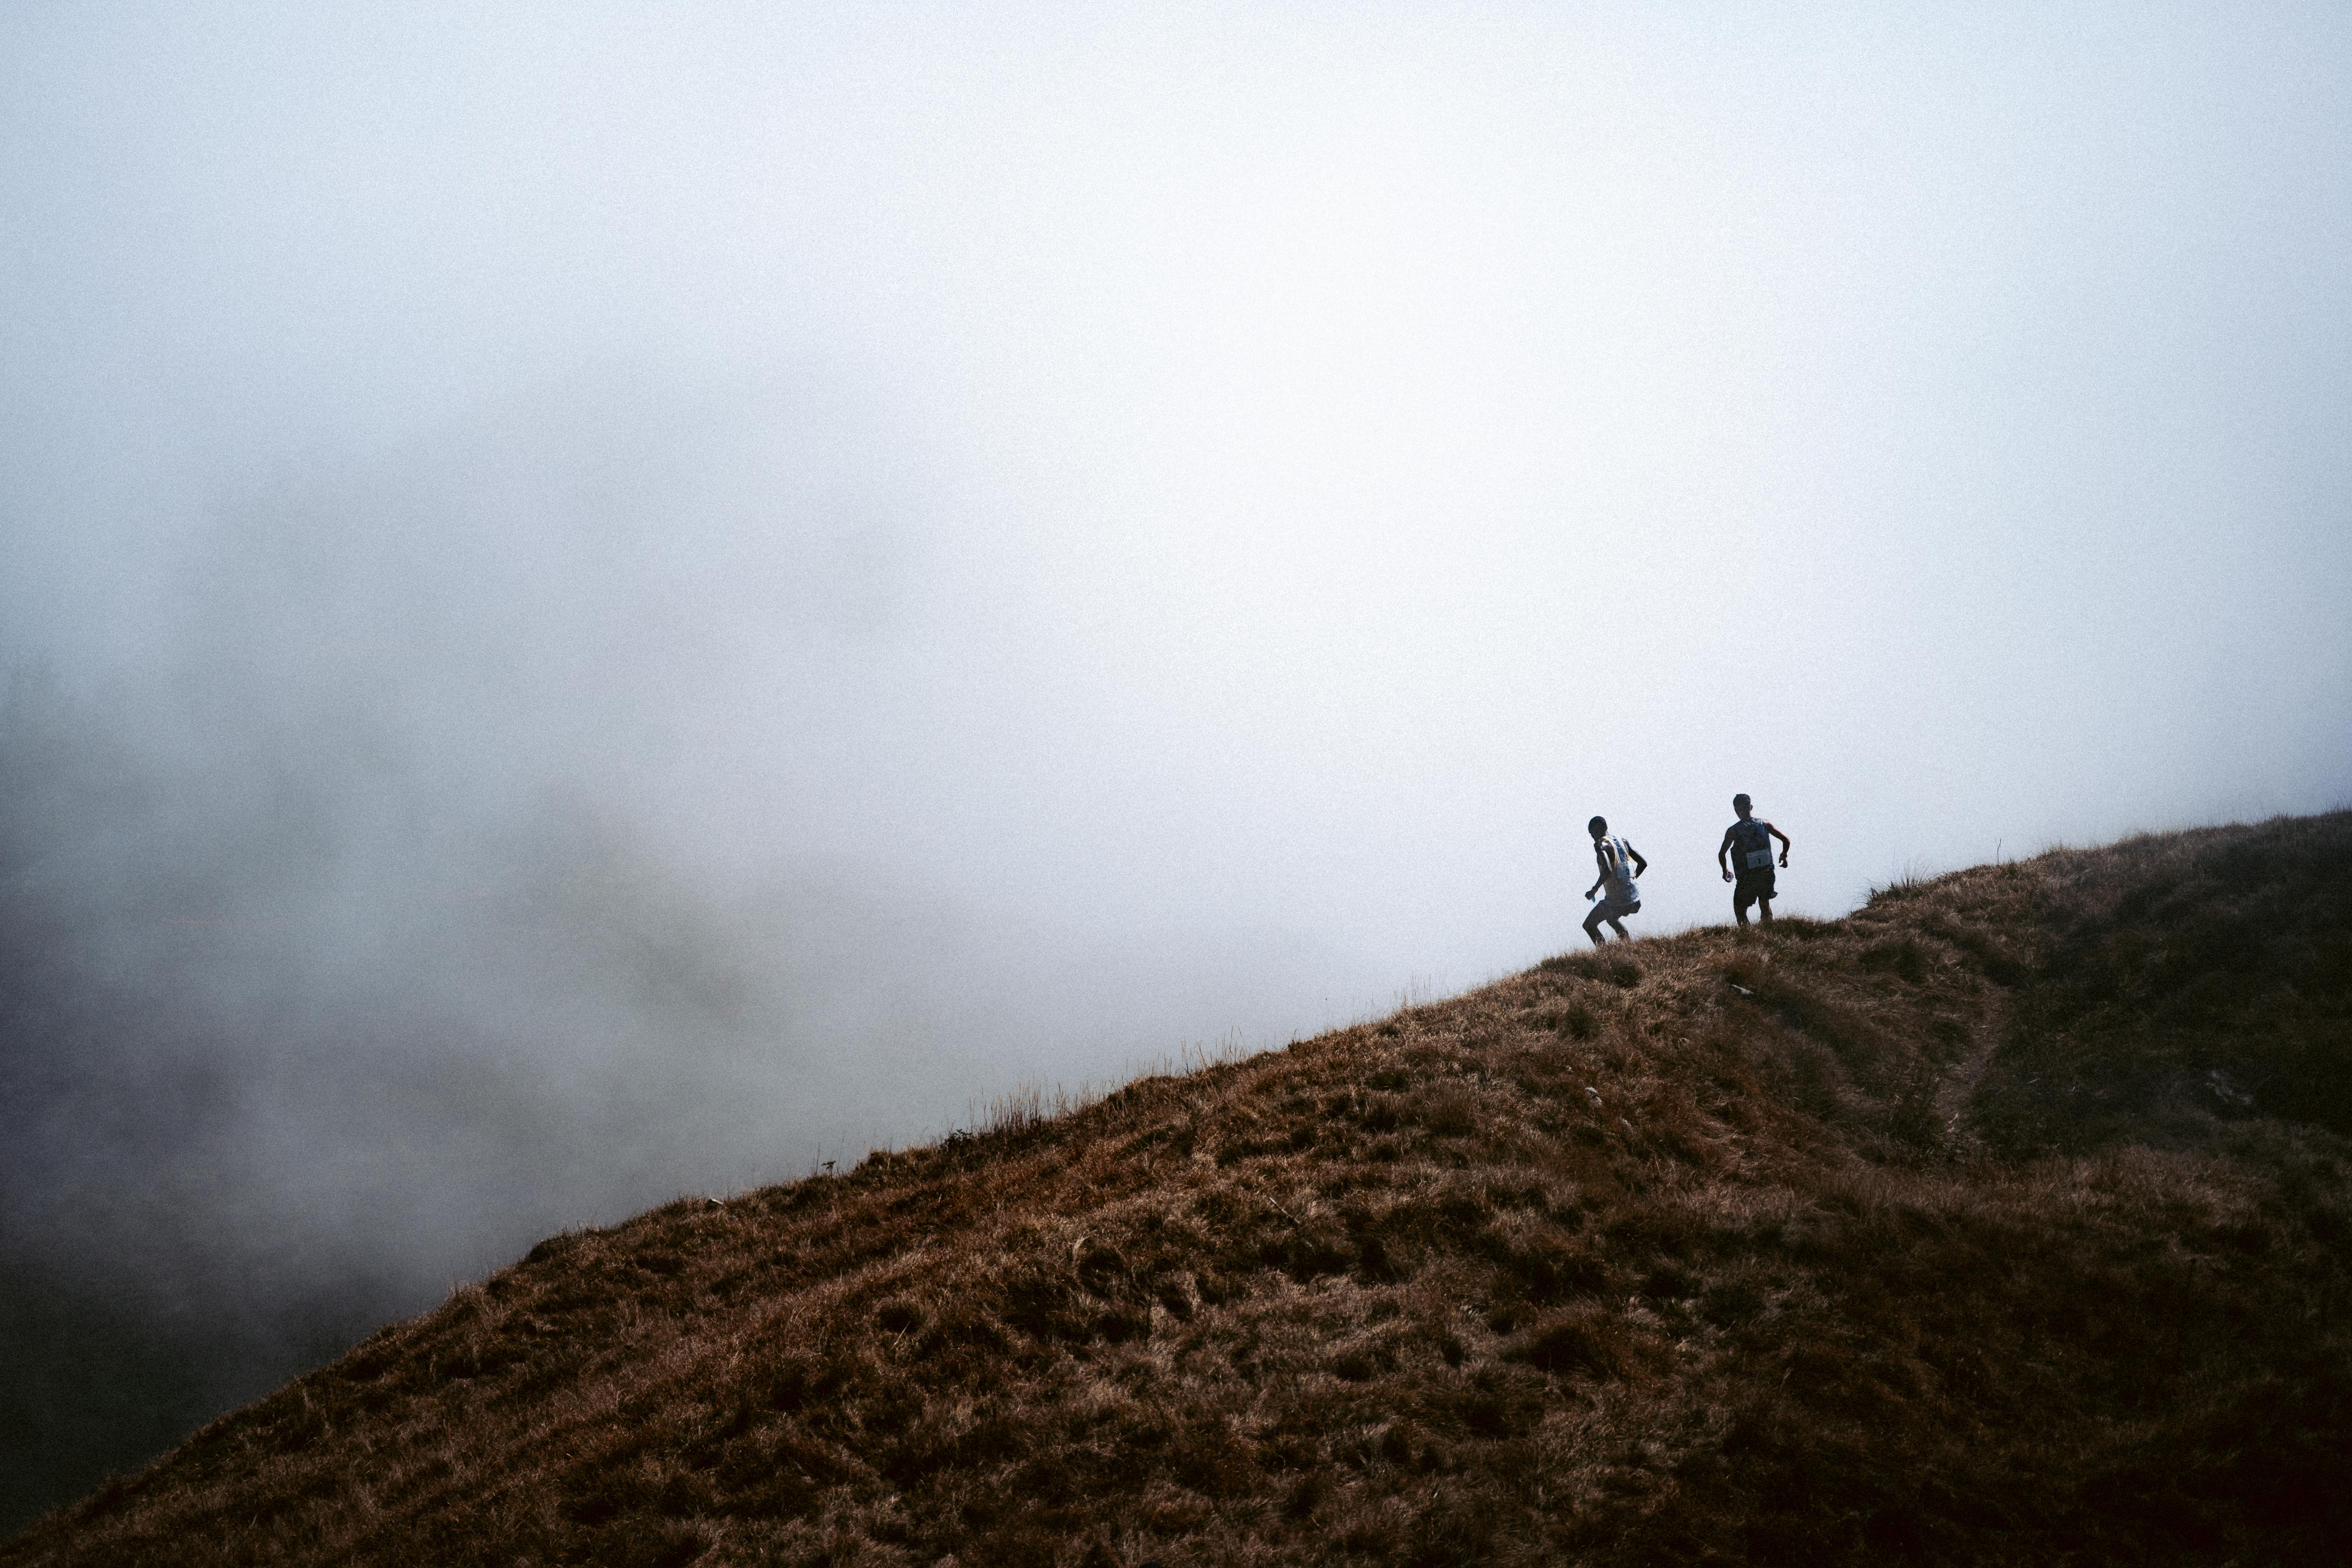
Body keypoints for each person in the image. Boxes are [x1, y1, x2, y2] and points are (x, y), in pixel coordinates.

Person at [1717, 793, 1791, 928]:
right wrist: (1784, 855)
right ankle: (1768, 933)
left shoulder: (1733, 831)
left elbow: (1722, 854)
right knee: (1765, 903)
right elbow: (1786, 840)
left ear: (1736, 810)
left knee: (1740, 908)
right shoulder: (1765, 824)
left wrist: (1725, 870)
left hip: (1747, 877)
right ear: (1751, 807)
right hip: (1766, 873)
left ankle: (1748, 936)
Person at [1581, 815, 1648, 946]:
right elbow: (1643, 864)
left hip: (1617, 901)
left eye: (1592, 833)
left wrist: (1594, 890)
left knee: (1589, 925)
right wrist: (1631, 880)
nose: (1592, 837)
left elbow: (1608, 868)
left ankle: (1605, 955)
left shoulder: (1600, 845)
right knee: (1611, 919)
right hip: (1634, 899)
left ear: (1600, 829)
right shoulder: (1622, 841)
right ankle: (1628, 946)